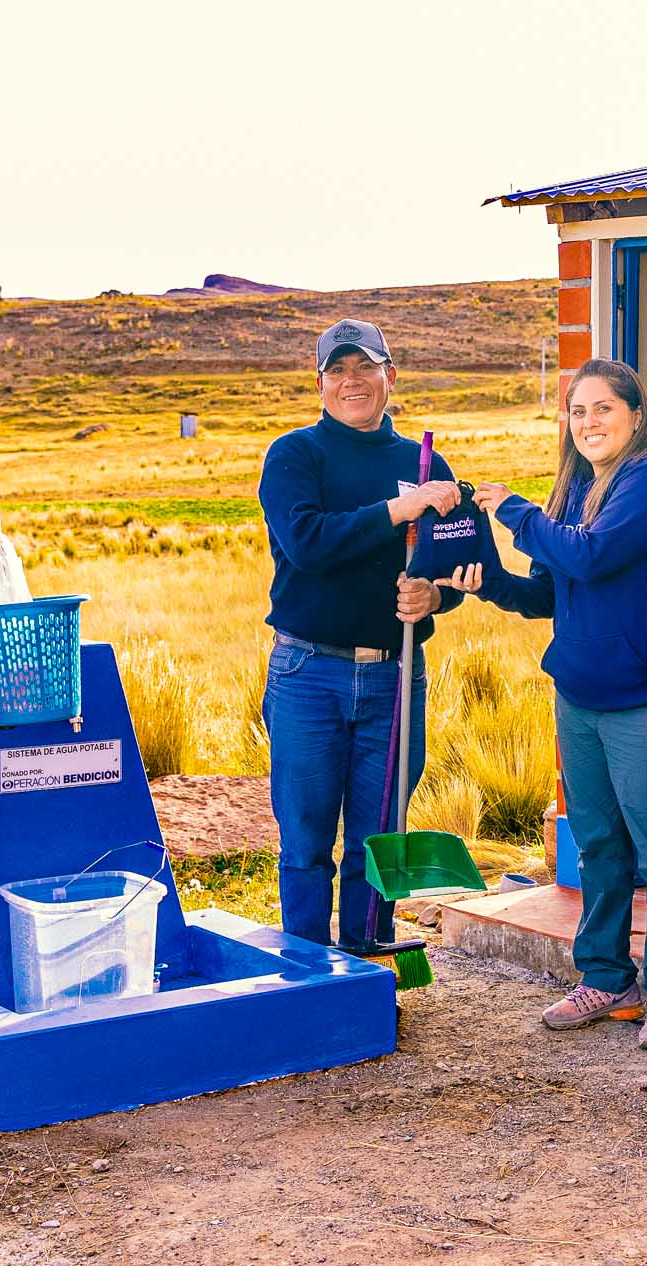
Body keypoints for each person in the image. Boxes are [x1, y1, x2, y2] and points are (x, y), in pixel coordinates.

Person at [439, 358, 647, 1049]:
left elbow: (591, 558)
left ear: (635, 414)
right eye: (577, 411)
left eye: (603, 409)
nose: (588, 422)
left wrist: (515, 511)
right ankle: (606, 977)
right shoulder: (573, 491)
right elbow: (549, 595)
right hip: (581, 700)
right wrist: (487, 580)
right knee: (598, 848)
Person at [257, 318, 476, 950]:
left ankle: (367, 958)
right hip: (309, 675)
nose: (352, 381)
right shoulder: (296, 455)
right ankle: (304, 970)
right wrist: (399, 510)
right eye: (337, 371)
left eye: (365, 367)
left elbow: (458, 564)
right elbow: (308, 544)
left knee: (378, 836)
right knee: (305, 839)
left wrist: (436, 595)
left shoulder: (425, 464)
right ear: (319, 383)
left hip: (395, 674)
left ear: (391, 375)